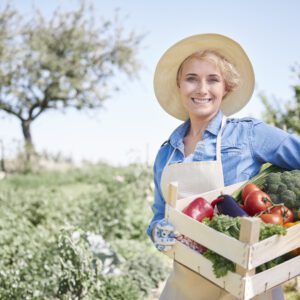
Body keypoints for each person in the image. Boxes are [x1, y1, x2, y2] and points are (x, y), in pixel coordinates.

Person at [147, 33, 300, 300]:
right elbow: (160, 214)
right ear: (180, 86)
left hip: (247, 287)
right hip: (185, 287)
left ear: (226, 87)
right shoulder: (166, 154)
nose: (201, 89)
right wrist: (158, 231)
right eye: (191, 78)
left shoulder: (248, 135)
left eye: (213, 79)